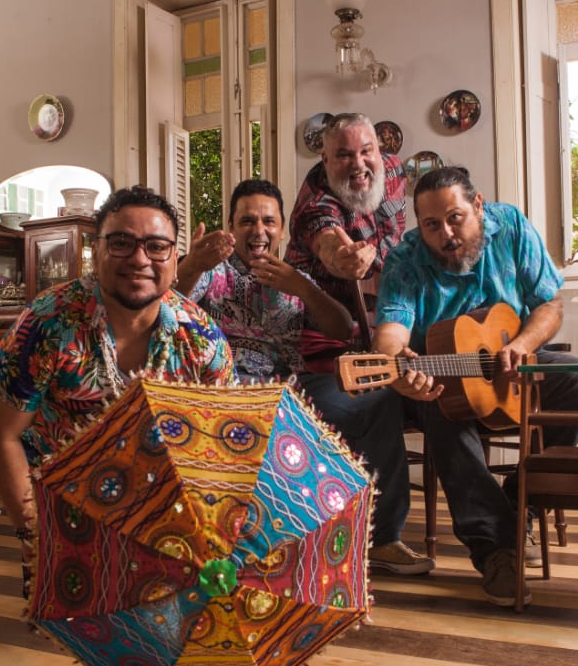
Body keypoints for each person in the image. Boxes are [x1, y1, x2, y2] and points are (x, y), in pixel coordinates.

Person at [373, 166, 578, 608]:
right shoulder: (405, 260)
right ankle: (496, 550)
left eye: (455, 217)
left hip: (514, 361)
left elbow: (549, 305)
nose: (446, 234)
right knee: (447, 410)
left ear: (478, 206)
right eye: (431, 225)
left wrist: (521, 344)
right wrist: (395, 361)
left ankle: (523, 502)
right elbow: (391, 332)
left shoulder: (512, 226)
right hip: (434, 378)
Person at [177, 179, 433, 574]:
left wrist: (302, 288)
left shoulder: (294, 277)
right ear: (230, 226)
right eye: (246, 221)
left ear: (282, 230)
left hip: (290, 388)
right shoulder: (214, 273)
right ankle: (256, 540)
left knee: (379, 398)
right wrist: (193, 264)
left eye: (267, 221)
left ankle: (383, 538)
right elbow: (167, 302)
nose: (258, 231)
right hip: (225, 386)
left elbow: (340, 327)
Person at [0, 185, 234, 580]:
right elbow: (0, 434)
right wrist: (37, 529)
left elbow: (227, 442)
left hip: (165, 513)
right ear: (95, 252)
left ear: (175, 258)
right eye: (120, 243)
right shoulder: (46, 325)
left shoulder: (202, 338)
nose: (139, 259)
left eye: (156, 246)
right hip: (63, 508)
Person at [284, 112, 407, 324]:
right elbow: (326, 240)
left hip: (383, 310)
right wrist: (340, 259)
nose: (358, 164)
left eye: (366, 151)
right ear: (326, 159)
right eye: (344, 155)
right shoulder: (315, 200)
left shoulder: (394, 170)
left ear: (378, 149)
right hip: (316, 324)